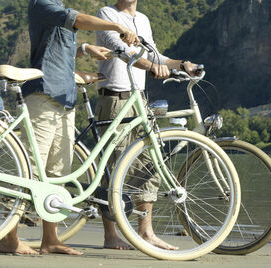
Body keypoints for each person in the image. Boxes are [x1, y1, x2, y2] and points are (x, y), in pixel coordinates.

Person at [1, 0, 140, 256]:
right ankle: (9, 237)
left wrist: (85, 49)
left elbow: (57, 49)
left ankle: (51, 239)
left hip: (65, 97)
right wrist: (117, 25)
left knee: (58, 173)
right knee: (31, 168)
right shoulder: (42, 4)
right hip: (43, 94)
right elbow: (76, 19)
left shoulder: (56, 6)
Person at [91, 0, 199, 251]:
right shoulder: (107, 14)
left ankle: (146, 232)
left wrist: (181, 65)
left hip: (139, 99)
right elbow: (121, 50)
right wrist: (153, 67)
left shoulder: (144, 20)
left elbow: (154, 55)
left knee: (148, 162)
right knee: (112, 165)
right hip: (115, 97)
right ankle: (111, 235)